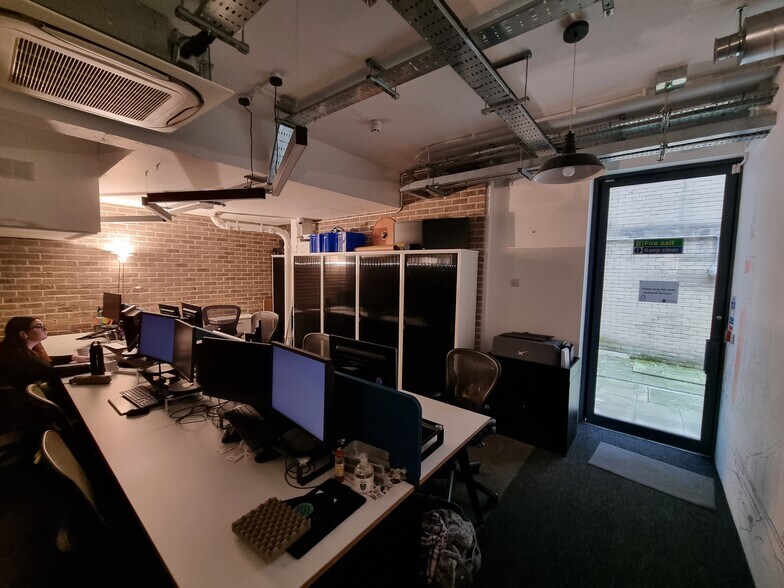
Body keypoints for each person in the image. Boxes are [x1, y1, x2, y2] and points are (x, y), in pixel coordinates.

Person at [0, 316, 89, 390]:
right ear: (24, 334)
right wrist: (89, 367)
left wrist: (72, 357)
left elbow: (43, 361)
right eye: (39, 327)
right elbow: (52, 372)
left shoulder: (18, 350)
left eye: (44, 326)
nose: (45, 329)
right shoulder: (20, 356)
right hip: (23, 400)